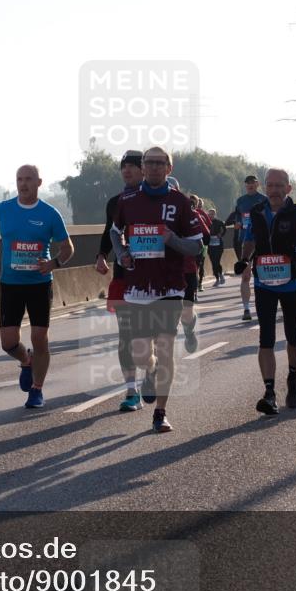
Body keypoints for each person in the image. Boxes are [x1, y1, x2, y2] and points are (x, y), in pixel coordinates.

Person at [110, 146, 204, 433]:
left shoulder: (180, 202)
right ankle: (148, 372)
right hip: (138, 287)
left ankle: (160, 412)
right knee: (140, 352)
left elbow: (197, 244)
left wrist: (172, 238)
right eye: (147, 163)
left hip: (170, 287)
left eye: (158, 163)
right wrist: (121, 253)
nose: (151, 167)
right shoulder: (128, 200)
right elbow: (115, 232)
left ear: (168, 168)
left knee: (165, 348)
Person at [0, 165, 73, 409]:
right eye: (19, 179)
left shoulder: (50, 214)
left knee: (39, 337)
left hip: (39, 284)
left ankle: (37, 390)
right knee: (8, 342)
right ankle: (26, 360)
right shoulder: (3, 210)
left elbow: (68, 248)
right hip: (10, 284)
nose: (23, 184)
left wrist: (53, 263)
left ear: (39, 182)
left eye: (28, 179)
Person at [240, 169, 296, 414]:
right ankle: (269, 392)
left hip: (293, 283)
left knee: (293, 336)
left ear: (288, 188)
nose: (275, 190)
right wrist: (245, 259)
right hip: (264, 283)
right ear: (265, 187)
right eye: (271, 185)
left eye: (280, 186)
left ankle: (292, 375)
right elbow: (249, 238)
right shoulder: (256, 211)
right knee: (265, 337)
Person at [96, 151, 145, 412]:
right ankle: (131, 390)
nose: (127, 171)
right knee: (126, 337)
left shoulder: (157, 200)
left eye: (133, 166)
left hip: (153, 279)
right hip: (124, 277)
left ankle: (150, 371)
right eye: (123, 166)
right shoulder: (115, 202)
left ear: (144, 170)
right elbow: (109, 231)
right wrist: (102, 254)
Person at [232, 174, 268, 320]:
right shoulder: (241, 201)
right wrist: (238, 224)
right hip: (246, 241)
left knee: (264, 275)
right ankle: (246, 309)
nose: (250, 186)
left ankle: (267, 305)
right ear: (245, 185)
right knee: (246, 276)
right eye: (247, 184)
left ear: (257, 184)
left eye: (252, 183)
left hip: (262, 242)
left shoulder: (264, 200)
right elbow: (237, 219)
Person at [179, 192, 210, 353]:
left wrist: (190, 247)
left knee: (186, 309)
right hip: (161, 270)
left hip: (187, 268)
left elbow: (206, 237)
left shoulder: (193, 216)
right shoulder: (150, 212)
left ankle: (189, 331)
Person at [206, 208, 227, 287]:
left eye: (212, 214)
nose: (210, 215)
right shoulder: (206, 222)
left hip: (218, 245)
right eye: (209, 214)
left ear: (215, 214)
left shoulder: (219, 222)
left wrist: (220, 235)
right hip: (210, 245)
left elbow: (224, 230)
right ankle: (217, 278)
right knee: (213, 262)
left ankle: (220, 275)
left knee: (217, 261)